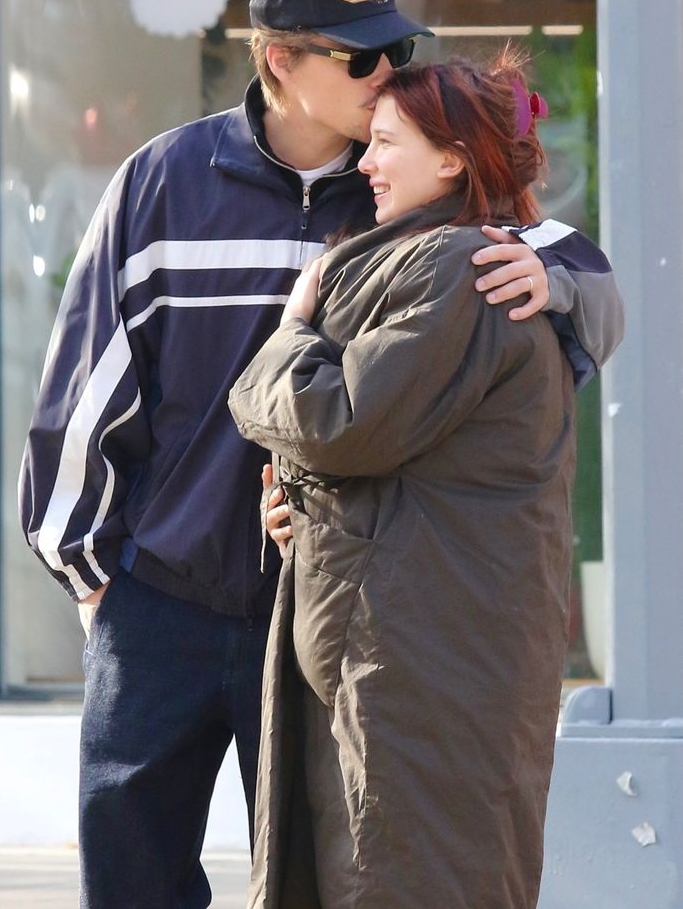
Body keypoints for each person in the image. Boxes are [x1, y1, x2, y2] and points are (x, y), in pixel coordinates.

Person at [19, 0, 622, 909]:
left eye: (394, 47)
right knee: (130, 883)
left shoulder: (408, 181)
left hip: (316, 611)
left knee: (310, 882)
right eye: (359, 57)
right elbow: (86, 386)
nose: (387, 72)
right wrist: (94, 580)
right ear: (278, 62)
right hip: (161, 602)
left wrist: (563, 282)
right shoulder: (163, 182)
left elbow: (569, 263)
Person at [229, 53, 620, 909]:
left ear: (451, 158)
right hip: (408, 666)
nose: (363, 161)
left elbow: (343, 421)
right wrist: (293, 495)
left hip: (418, 677)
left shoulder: (461, 270)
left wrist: (292, 332)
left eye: (383, 142)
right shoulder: (450, 259)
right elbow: (401, 450)